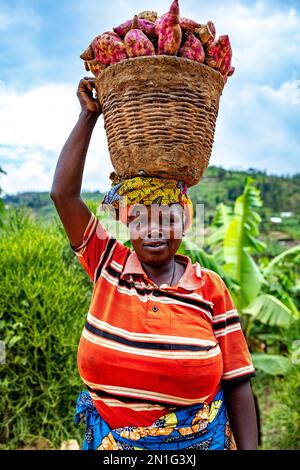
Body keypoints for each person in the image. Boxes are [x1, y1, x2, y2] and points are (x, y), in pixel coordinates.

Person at [50, 77, 258, 451]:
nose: (154, 230)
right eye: (141, 219)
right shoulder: (107, 264)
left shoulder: (210, 288)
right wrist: (88, 115)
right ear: (128, 224)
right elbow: (63, 195)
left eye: (167, 218)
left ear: (184, 223)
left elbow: (238, 381)